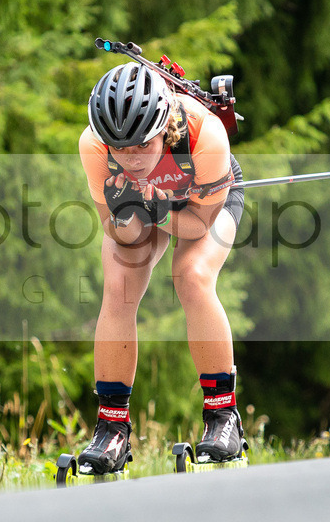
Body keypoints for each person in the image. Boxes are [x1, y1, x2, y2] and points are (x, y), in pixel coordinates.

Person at [76, 61, 246, 474]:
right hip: (149, 204)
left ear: (161, 129)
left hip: (202, 202)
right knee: (119, 283)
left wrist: (158, 208)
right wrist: (123, 211)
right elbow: (124, 236)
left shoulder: (205, 134)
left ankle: (223, 419)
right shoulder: (93, 146)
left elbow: (198, 225)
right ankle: (111, 428)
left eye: (141, 147)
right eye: (120, 148)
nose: (129, 158)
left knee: (192, 276)